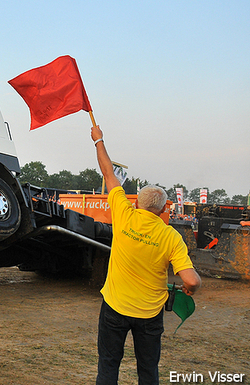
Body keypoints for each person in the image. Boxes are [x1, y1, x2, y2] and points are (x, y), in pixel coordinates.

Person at [91, 125, 201, 385]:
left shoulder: (124, 214)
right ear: (164, 209)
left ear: (137, 203)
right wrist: (190, 288)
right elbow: (192, 280)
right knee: (148, 370)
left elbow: (108, 173)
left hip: (115, 308)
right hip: (150, 315)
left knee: (108, 366)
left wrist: (99, 140)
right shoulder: (171, 237)